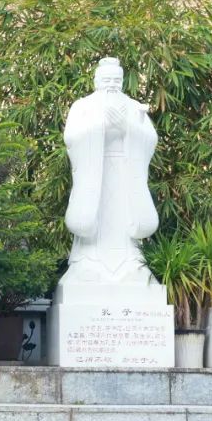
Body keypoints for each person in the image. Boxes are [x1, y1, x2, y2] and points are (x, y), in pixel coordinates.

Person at [60, 57, 159, 284]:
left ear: (122, 81)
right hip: (94, 172)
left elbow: (150, 139)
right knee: (95, 218)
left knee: (123, 216)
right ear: (96, 81)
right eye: (107, 80)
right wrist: (101, 126)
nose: (112, 84)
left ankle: (132, 263)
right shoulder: (82, 106)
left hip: (125, 172)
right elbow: (72, 137)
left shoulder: (134, 107)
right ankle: (87, 262)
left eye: (116, 80)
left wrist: (126, 127)